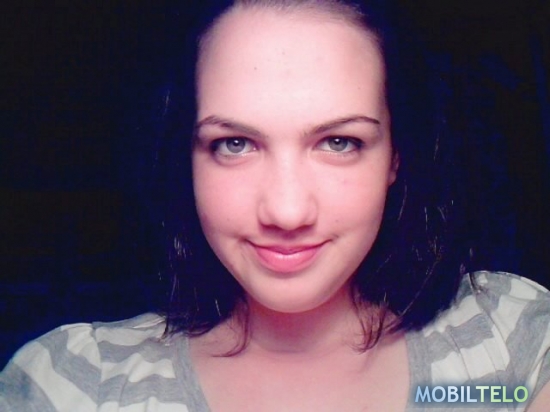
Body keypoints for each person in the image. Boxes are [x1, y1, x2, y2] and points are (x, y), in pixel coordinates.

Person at [1, 1, 550, 411]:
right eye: (234, 144)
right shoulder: (75, 383)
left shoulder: (510, 337)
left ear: (395, 158)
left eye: (340, 142)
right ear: (185, 158)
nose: (287, 213)